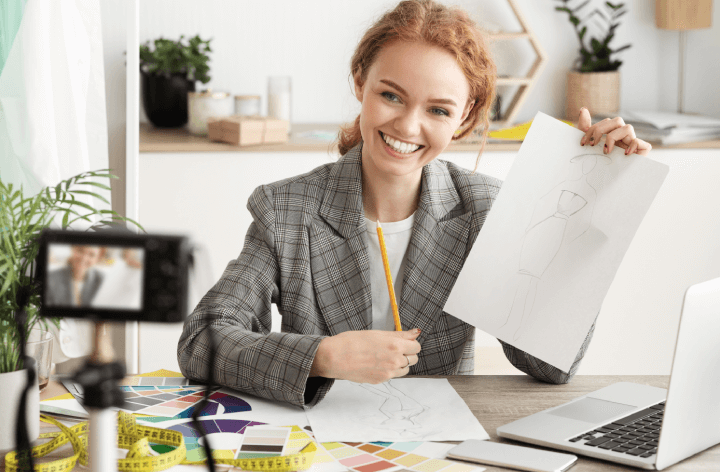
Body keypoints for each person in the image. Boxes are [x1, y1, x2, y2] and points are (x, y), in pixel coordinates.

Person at [177, 0, 652, 407]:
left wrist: (590, 196)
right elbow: (203, 341)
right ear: (360, 82)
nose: (407, 126)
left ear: (464, 118)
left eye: (438, 110)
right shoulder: (286, 210)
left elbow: (551, 366)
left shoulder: (487, 210)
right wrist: (323, 356)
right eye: (390, 95)